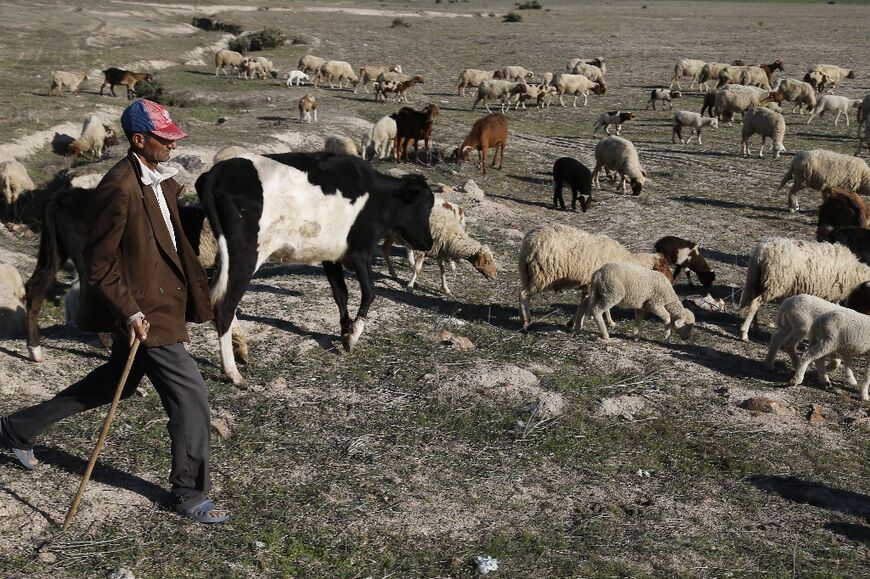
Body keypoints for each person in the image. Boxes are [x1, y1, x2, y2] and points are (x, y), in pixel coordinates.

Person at [0, 99, 228, 524]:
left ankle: (17, 428)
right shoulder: (118, 186)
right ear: (139, 140)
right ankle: (189, 493)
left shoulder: (157, 179)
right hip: (143, 311)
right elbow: (100, 265)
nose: (172, 145)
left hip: (161, 303)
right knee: (191, 395)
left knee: (114, 384)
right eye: (165, 139)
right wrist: (128, 312)